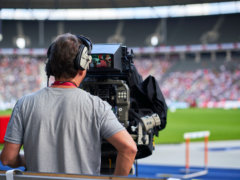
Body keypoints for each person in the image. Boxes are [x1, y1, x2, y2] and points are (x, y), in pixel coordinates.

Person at [0, 33, 137, 176]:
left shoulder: (24, 104)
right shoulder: (97, 106)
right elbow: (129, 148)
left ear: (50, 67)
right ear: (82, 65)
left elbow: (7, 158)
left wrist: (30, 159)